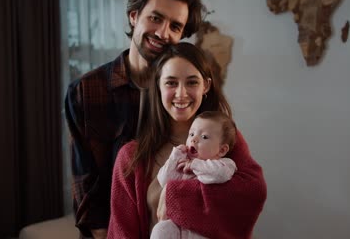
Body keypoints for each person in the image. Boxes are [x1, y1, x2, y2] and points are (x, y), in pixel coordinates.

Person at [64, 0, 204, 238]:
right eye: (155, 18)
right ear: (134, 15)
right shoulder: (85, 91)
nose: (163, 33)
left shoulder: (181, 95)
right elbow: (85, 185)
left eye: (175, 26)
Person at [108, 42, 267, 238]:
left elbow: (252, 193)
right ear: (158, 86)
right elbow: (121, 232)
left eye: (192, 82)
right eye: (171, 82)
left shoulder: (225, 141)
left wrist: (174, 194)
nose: (181, 94)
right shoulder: (130, 157)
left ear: (205, 86)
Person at [150, 111, 238, 239]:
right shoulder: (184, 163)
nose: (194, 139)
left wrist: (194, 165)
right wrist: (175, 157)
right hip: (178, 225)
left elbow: (220, 174)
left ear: (222, 150)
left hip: (203, 228)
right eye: (191, 134)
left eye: (204, 137)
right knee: (161, 229)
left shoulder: (225, 164)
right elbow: (164, 180)